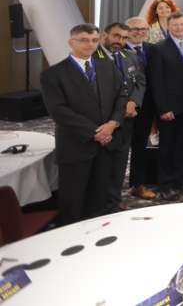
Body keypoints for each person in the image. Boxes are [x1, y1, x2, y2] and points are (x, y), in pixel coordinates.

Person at [40, 24, 126, 225]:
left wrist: (113, 123)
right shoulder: (53, 74)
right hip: (76, 145)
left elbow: (121, 96)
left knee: (99, 196)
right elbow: (59, 111)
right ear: (71, 42)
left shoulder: (107, 66)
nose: (90, 44)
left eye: (94, 40)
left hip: (106, 143)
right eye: (84, 40)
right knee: (73, 200)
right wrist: (96, 132)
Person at [149, 12, 183, 199]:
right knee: (167, 146)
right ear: (168, 27)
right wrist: (163, 108)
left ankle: (180, 179)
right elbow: (156, 81)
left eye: (182, 24)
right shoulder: (159, 48)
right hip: (169, 108)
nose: (179, 28)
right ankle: (165, 183)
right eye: (175, 25)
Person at [96, 23, 142, 213]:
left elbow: (140, 82)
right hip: (105, 122)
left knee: (120, 163)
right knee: (102, 167)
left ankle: (114, 202)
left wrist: (134, 101)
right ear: (104, 35)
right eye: (116, 36)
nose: (120, 41)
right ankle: (100, 204)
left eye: (124, 38)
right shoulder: (93, 57)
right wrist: (121, 109)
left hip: (128, 119)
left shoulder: (130, 56)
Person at [124, 16, 158, 200]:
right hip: (123, 107)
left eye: (143, 29)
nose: (139, 33)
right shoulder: (117, 51)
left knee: (140, 147)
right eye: (134, 29)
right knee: (120, 149)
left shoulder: (152, 49)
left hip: (147, 108)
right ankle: (111, 189)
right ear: (127, 31)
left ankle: (137, 184)